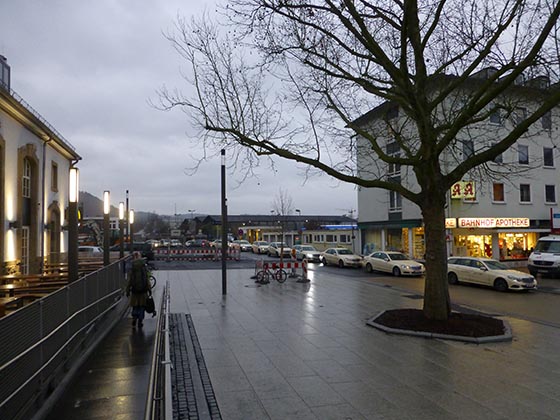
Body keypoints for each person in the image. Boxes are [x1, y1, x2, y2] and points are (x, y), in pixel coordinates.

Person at [126, 251, 151, 327]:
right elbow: (147, 279)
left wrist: (127, 290)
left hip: (134, 290)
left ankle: (134, 318)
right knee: (142, 306)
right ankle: (140, 320)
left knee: (135, 306)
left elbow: (130, 280)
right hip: (143, 291)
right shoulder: (143, 266)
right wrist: (149, 289)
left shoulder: (132, 266)